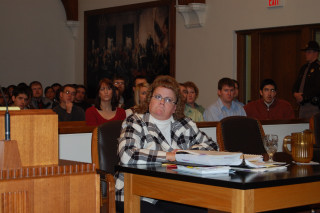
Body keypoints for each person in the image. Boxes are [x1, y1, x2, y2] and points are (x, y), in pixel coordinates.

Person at [115, 75, 218, 213]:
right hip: (135, 194)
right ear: (149, 99)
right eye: (158, 97)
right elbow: (127, 155)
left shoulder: (185, 124)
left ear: (175, 107)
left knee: (199, 210)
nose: (162, 102)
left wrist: (186, 154)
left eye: (168, 99)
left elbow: (212, 146)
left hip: (170, 193)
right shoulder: (135, 121)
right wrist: (169, 156)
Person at [293, 40, 320, 119]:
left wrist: (304, 96)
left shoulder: (318, 68)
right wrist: (295, 94)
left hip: (314, 106)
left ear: (316, 53)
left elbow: (318, 88)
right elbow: (296, 85)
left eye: (309, 52)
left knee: (314, 129)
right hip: (302, 106)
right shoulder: (304, 68)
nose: (306, 54)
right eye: (306, 52)